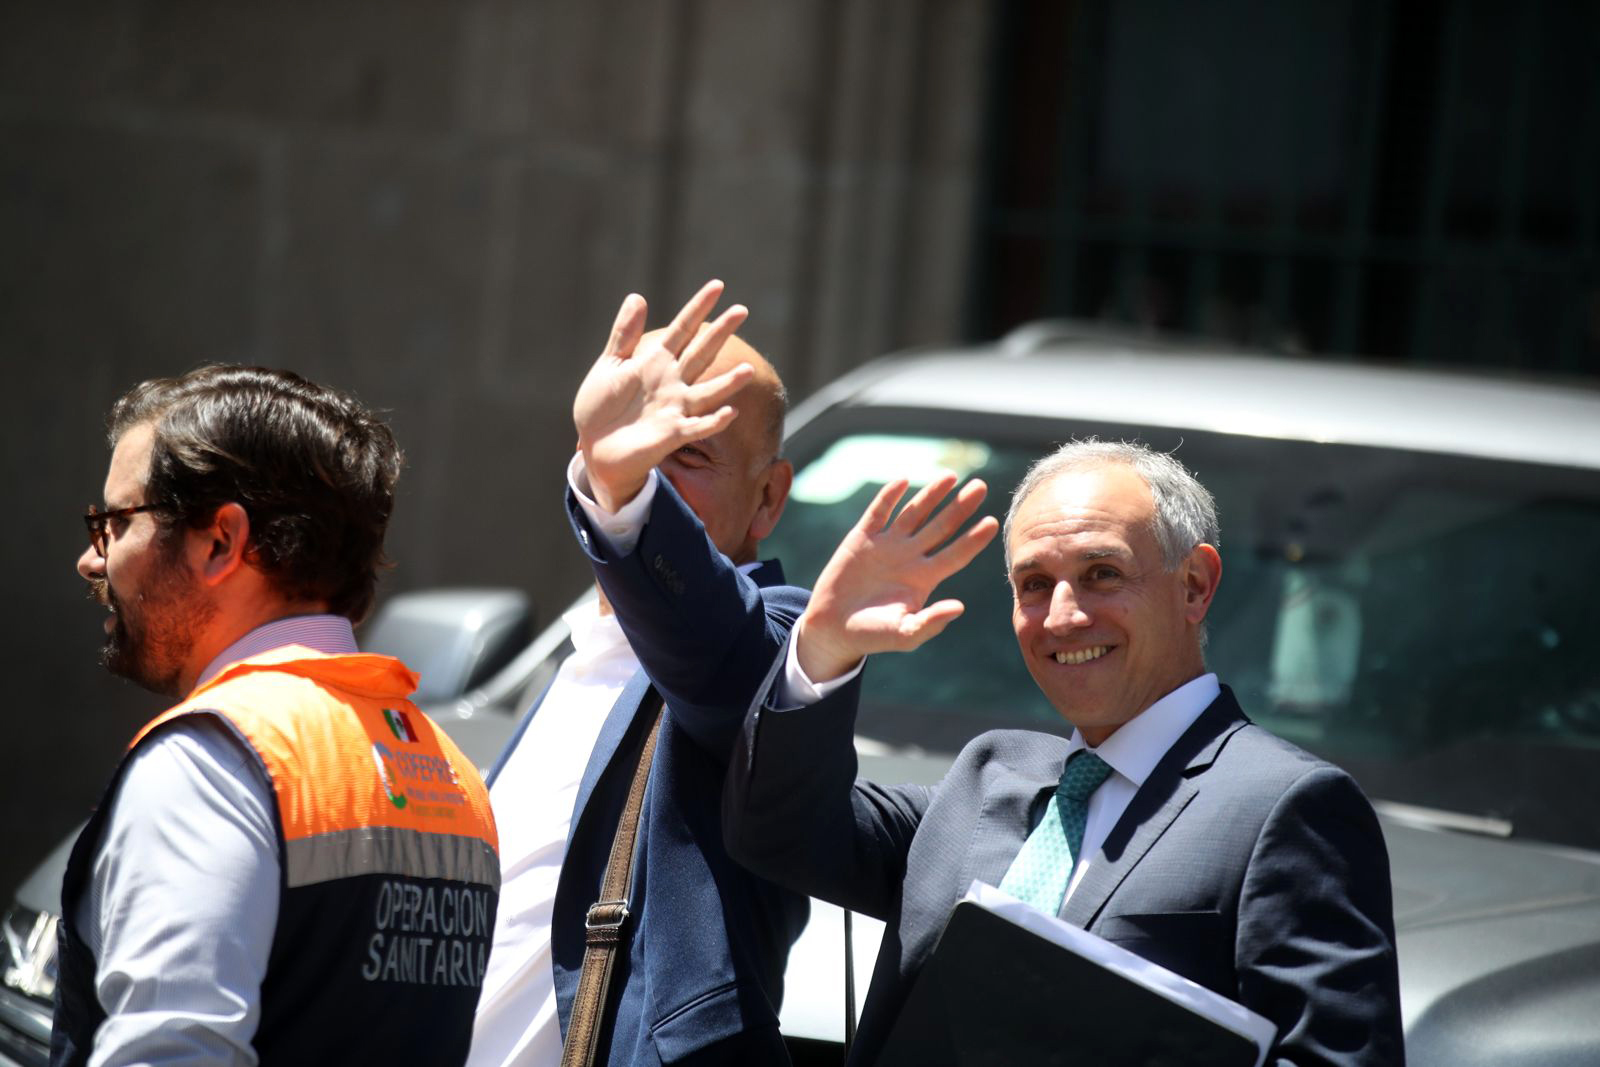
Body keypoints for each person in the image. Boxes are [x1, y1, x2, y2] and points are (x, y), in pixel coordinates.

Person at [723, 441, 1406, 1066]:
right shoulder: (989, 775)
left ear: (1195, 584)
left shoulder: (1284, 807)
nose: (1063, 616)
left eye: (1102, 573)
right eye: (1034, 583)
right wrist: (823, 646)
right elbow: (779, 828)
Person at [55, 366, 500, 1067]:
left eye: (116, 523)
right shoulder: (454, 777)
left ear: (219, 541)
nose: (92, 560)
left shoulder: (209, 762)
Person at [468, 281, 809, 1067]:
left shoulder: (778, 643)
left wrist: (624, 492)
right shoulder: (579, 654)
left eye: (687, 451)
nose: (651, 464)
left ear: (768, 498)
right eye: (633, 435)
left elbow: (729, 659)